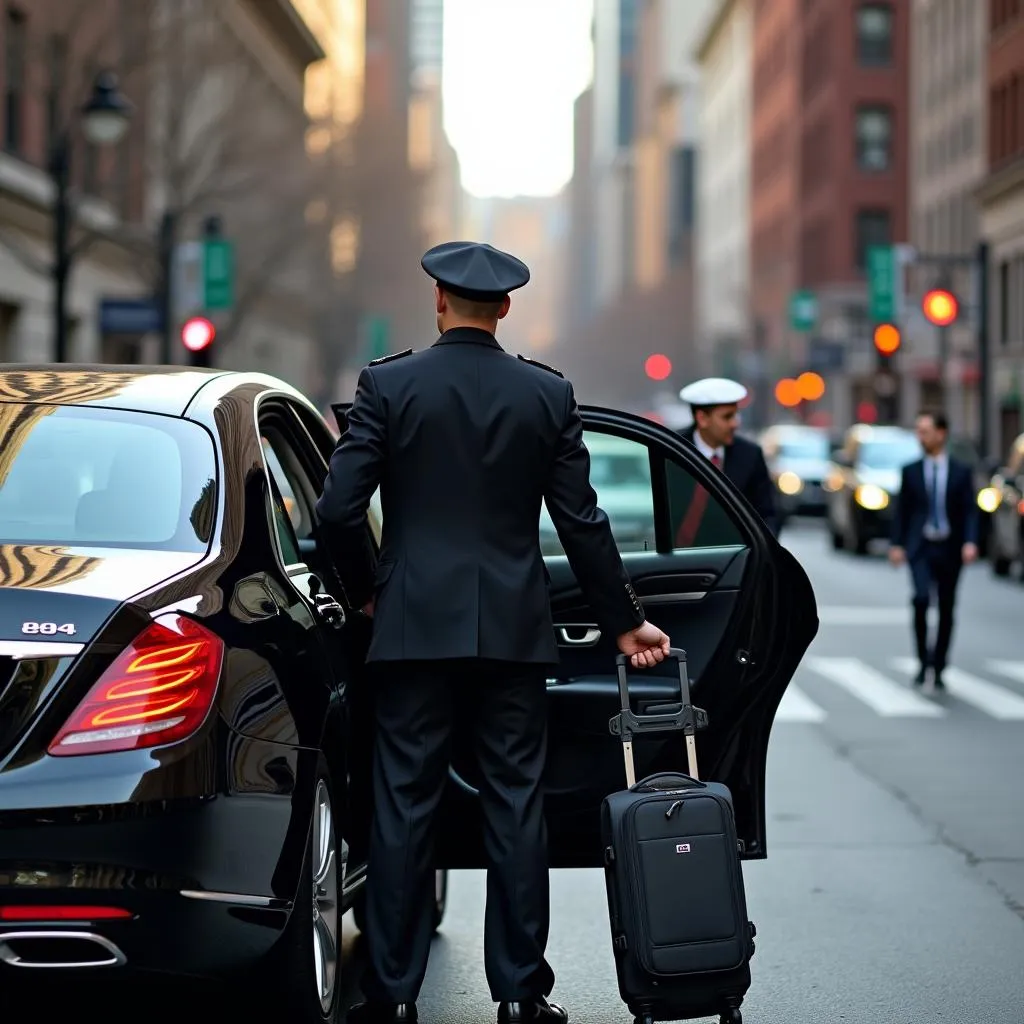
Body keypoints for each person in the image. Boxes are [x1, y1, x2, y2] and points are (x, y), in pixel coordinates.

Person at [316, 240, 671, 1024]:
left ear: (438, 300)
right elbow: (582, 522)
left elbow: (337, 512)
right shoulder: (546, 394)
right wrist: (625, 623)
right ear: (505, 308)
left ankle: (392, 996)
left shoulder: (388, 384)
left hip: (411, 629)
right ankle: (519, 995)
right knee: (517, 807)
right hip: (514, 632)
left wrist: (371, 589)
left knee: (403, 808)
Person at [888, 409, 979, 688]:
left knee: (947, 607)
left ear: (942, 434)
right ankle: (921, 660)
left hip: (950, 548)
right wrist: (897, 544)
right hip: (921, 547)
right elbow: (901, 511)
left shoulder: (961, 472)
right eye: (918, 431)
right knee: (921, 599)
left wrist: (970, 542)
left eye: (925, 431)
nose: (921, 437)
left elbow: (970, 511)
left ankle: (939, 665)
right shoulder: (911, 470)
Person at [677, 377, 778, 538]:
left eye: (736, 415)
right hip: (676, 558)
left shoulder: (751, 455)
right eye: (727, 417)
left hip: (734, 557)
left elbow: (767, 514)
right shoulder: (674, 449)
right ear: (702, 418)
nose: (735, 424)